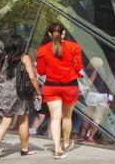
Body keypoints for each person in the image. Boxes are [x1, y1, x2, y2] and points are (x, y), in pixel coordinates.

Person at [36, 22, 86, 156]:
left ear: (49, 34)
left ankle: (57, 149)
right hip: (70, 86)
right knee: (67, 117)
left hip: (51, 87)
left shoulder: (43, 49)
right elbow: (78, 67)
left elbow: (40, 71)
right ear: (64, 33)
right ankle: (66, 143)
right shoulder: (74, 47)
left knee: (55, 118)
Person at [0, 38, 37, 160]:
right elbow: (32, 77)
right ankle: (24, 148)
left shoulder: (0, 59)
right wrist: (38, 92)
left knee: (5, 120)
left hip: (3, 93)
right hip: (20, 93)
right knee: (23, 120)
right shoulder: (24, 58)